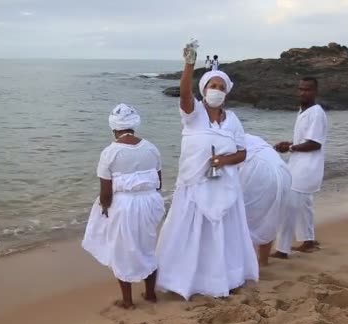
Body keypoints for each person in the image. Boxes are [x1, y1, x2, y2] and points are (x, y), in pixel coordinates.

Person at [156, 43, 259, 300]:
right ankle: (184, 280)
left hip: (224, 186)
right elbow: (184, 94)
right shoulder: (194, 114)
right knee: (191, 233)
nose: (217, 91)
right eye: (213, 86)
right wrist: (189, 65)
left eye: (221, 87)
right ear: (204, 90)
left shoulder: (232, 119)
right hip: (194, 186)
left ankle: (227, 278)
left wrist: (223, 161)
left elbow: (242, 152)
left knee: (225, 235)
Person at [82, 104, 165, 309]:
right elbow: (159, 182)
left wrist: (104, 208)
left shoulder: (109, 153)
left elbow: (106, 192)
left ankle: (128, 301)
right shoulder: (151, 148)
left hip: (124, 206)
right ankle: (150, 294)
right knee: (147, 248)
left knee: (122, 251)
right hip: (149, 202)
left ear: (114, 129)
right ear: (134, 125)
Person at [273, 77, 328, 258]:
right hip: (300, 164)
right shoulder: (303, 110)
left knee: (289, 206)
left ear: (315, 92)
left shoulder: (316, 113)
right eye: (301, 89)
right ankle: (308, 240)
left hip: (306, 168)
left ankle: (282, 249)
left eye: (308, 89)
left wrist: (289, 148)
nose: (303, 92)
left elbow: (314, 143)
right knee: (305, 205)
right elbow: (304, 140)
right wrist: (290, 143)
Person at [239, 133, 292, 266]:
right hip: (283, 172)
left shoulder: (223, 141)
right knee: (270, 216)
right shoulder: (252, 138)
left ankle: (248, 263)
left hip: (260, 172)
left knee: (245, 219)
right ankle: (263, 261)